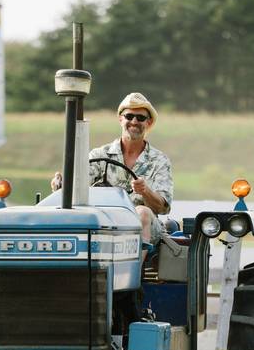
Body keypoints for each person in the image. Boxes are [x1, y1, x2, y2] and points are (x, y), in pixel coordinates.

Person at [51, 92, 173, 243]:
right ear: (120, 119)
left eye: (140, 118)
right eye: (129, 116)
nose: (134, 121)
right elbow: (78, 183)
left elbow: (163, 207)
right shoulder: (100, 154)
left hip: (143, 226)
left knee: (142, 212)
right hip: (103, 222)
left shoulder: (159, 161)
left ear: (148, 123)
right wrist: (62, 183)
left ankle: (134, 266)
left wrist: (145, 191)